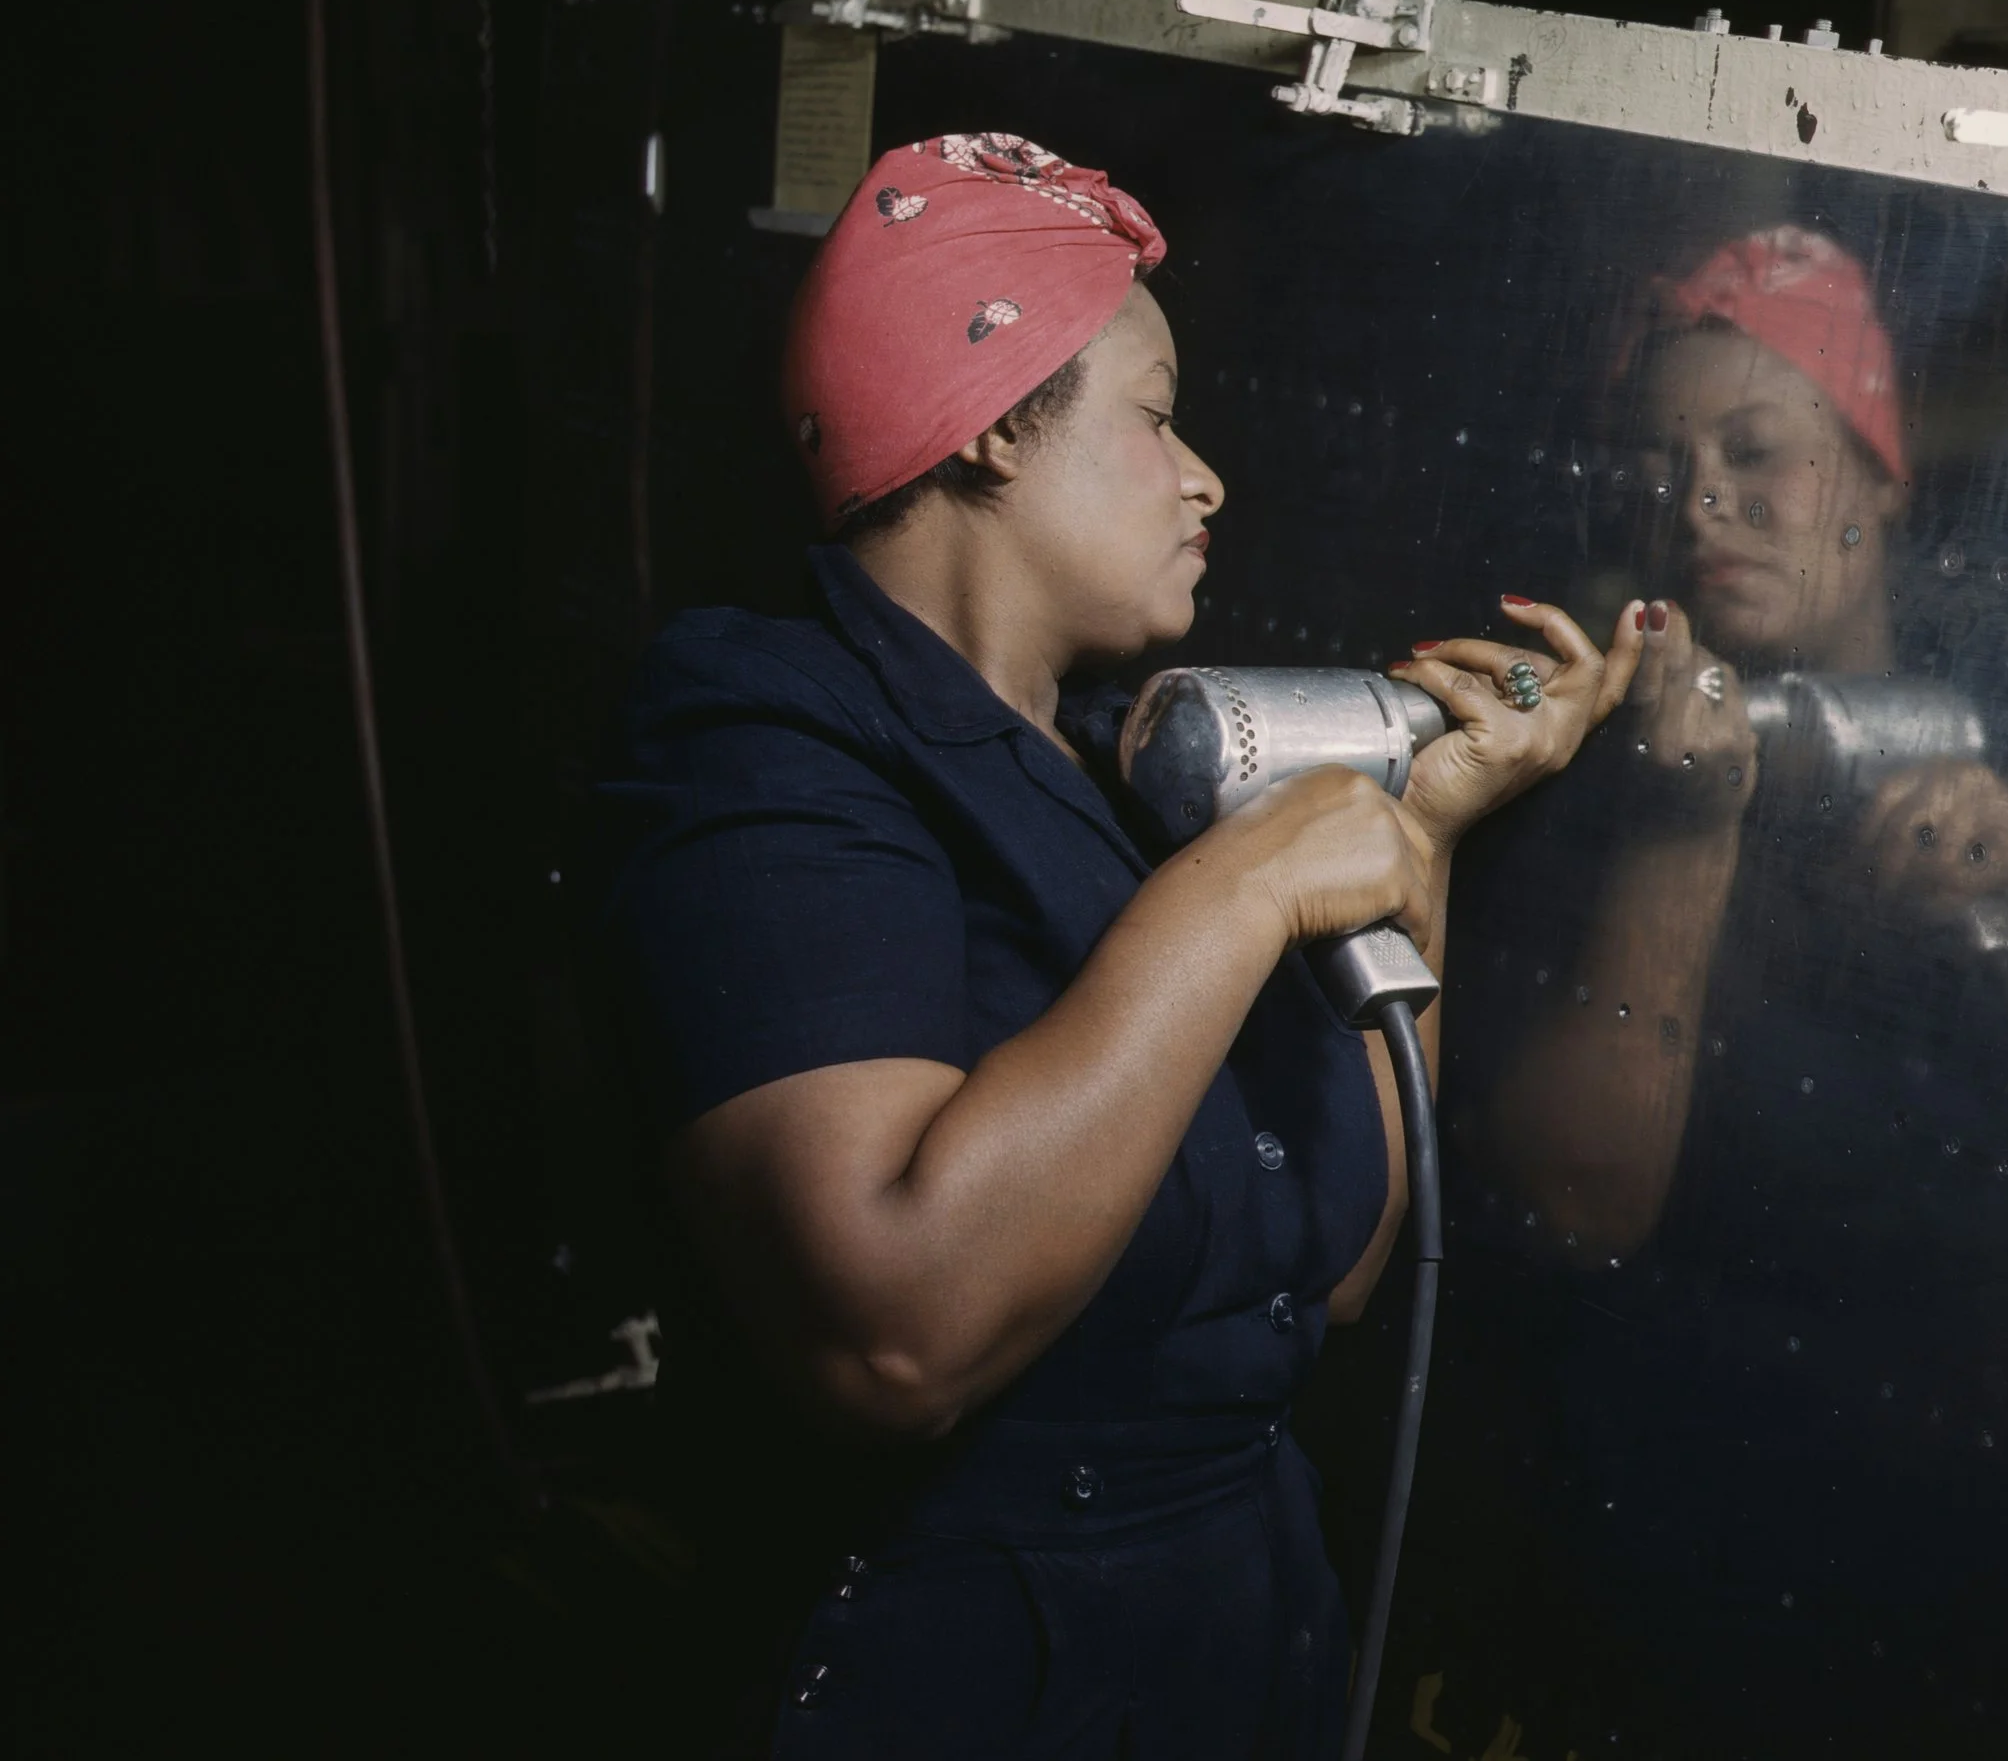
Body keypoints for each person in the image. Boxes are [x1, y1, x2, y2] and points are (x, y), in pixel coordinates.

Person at [599, 131, 1650, 1760]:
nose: (1204, 476)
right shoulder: (769, 741)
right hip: (957, 1679)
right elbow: (893, 1335)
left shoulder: (1109, 769)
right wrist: (1238, 893)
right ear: (1002, 427)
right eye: (1156, 420)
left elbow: (1349, 1266)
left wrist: (1420, 837)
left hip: (1232, 1639)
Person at [1432, 225, 2008, 1751]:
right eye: (1656, 463)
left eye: (1759, 450)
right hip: (1699, 1545)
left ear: (1877, 475)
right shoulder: (1577, 772)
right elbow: (1569, 1196)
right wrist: (1684, 830)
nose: (1701, 503)